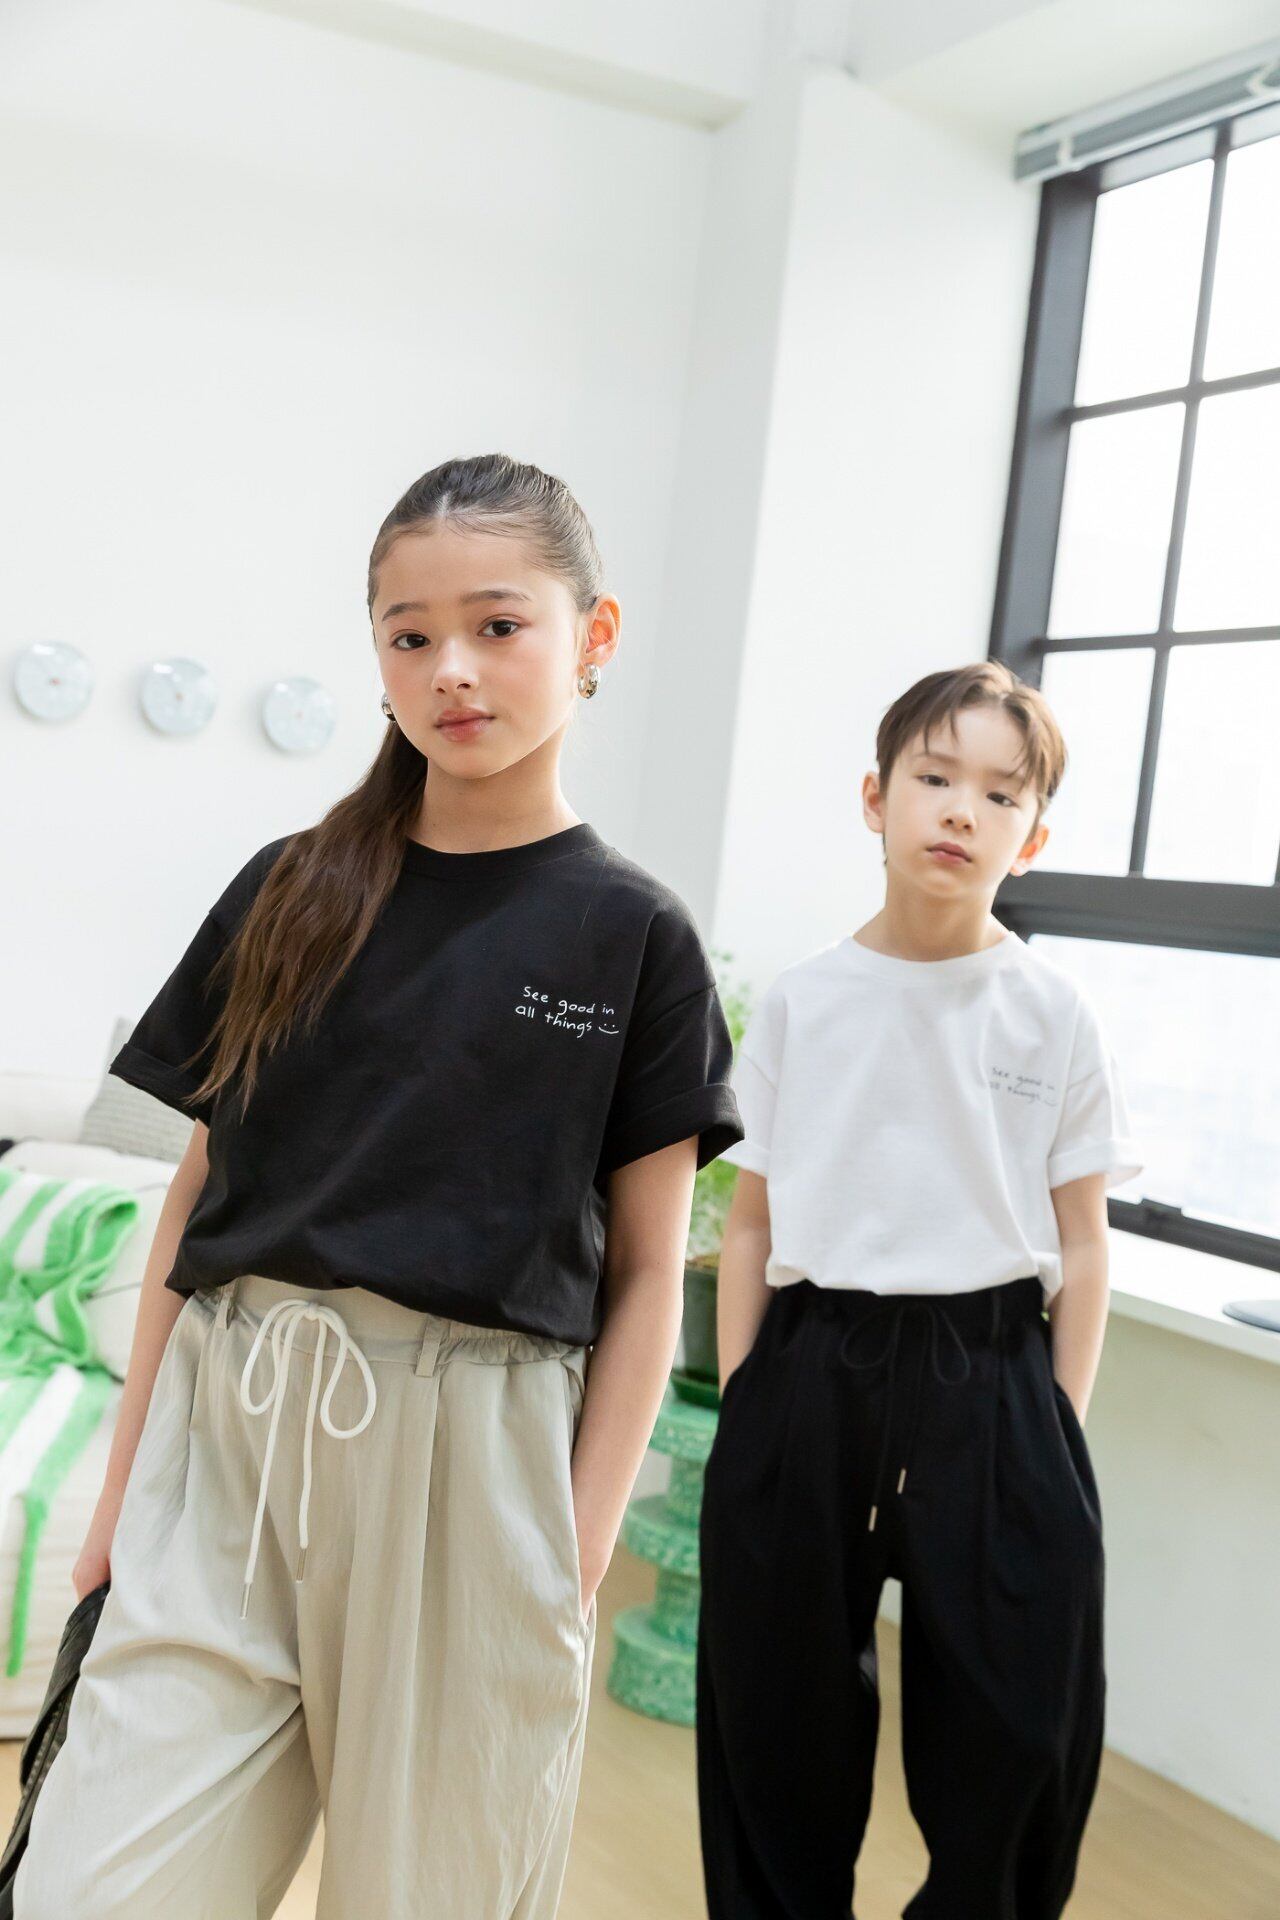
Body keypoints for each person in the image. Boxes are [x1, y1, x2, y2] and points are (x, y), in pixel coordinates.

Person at [15, 453, 744, 1920]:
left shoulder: (633, 936)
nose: (449, 668)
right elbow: (195, 1204)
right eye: (409, 636)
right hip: (232, 1433)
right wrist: (128, 1491)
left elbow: (647, 1272)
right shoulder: (290, 887)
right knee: (92, 1889)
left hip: (478, 1468)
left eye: (496, 625)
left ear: (592, 637)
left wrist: (572, 1558)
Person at [696, 660, 1143, 1920]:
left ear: (1031, 836)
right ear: (874, 797)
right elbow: (752, 1221)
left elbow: (1084, 1245)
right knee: (774, 1714)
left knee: (1017, 1727)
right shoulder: (806, 1001)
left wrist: (1052, 1425)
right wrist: (746, 1401)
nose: (960, 810)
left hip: (993, 1377)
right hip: (808, 1367)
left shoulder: (1052, 1011)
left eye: (998, 794)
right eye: (933, 777)